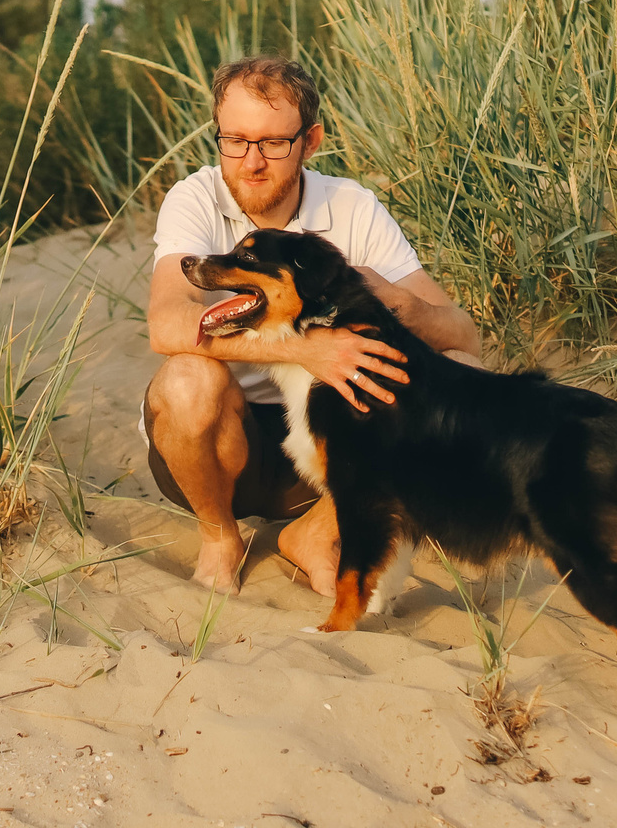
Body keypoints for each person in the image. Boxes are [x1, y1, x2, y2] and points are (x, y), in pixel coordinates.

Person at [143, 55, 480, 595]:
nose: (252, 162)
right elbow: (166, 325)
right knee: (187, 379)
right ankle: (219, 537)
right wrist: (307, 349)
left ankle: (315, 532)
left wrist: (393, 299)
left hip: (333, 452)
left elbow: (464, 338)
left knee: (461, 376)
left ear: (310, 140)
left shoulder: (351, 206)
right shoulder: (196, 198)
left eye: (274, 143)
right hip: (222, 448)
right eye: (235, 140)